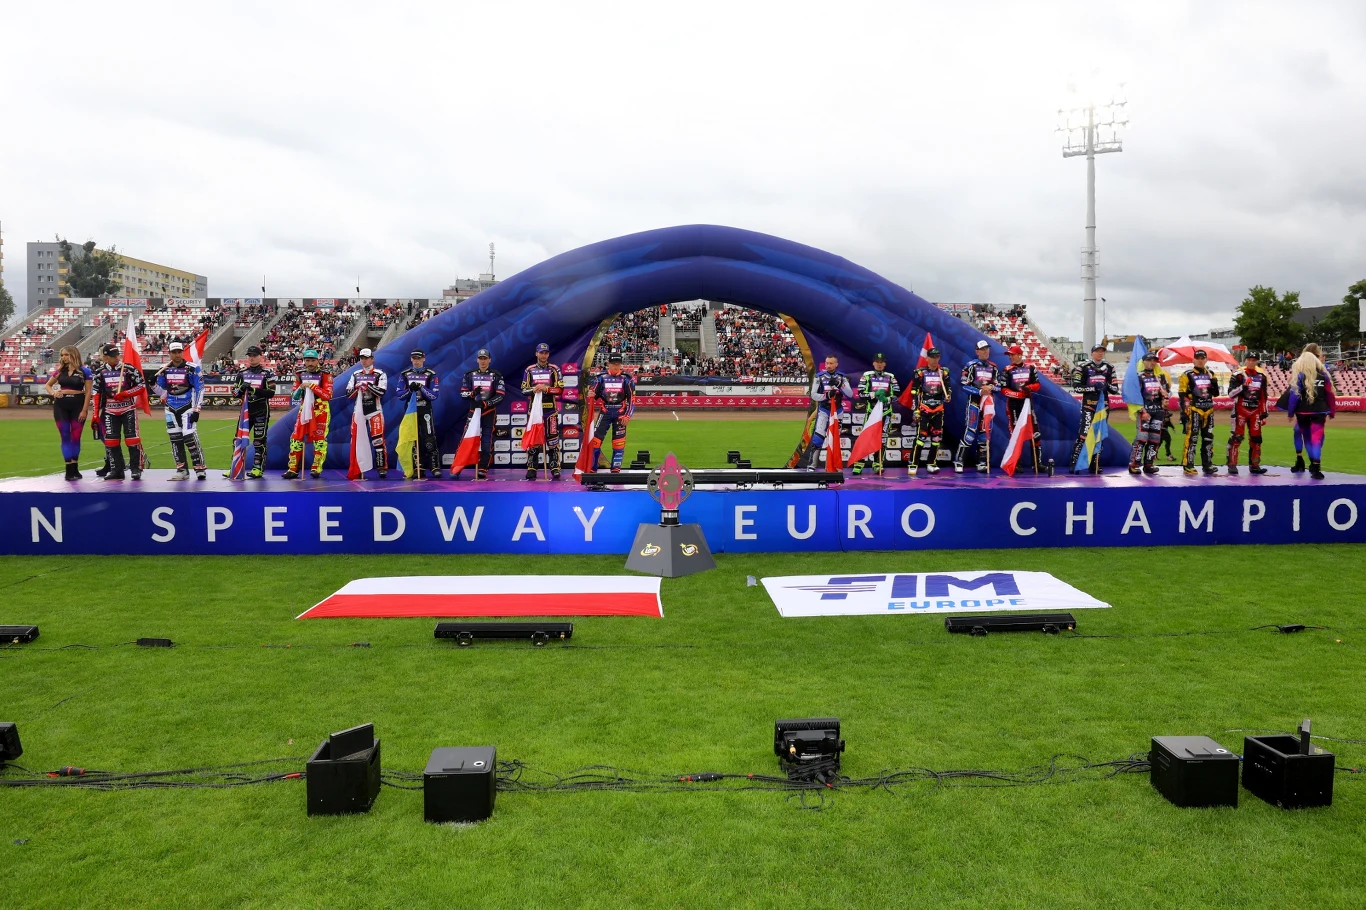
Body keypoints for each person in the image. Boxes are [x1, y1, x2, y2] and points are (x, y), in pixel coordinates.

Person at [91, 342, 146, 481]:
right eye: (112, 356)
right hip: (110, 410)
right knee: (111, 441)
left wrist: (126, 393)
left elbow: (141, 385)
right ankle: (117, 469)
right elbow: (96, 393)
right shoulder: (100, 372)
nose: (116, 358)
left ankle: (136, 469)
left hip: (128, 408)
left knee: (132, 439)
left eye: (117, 355)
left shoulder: (128, 369)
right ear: (105, 357)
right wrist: (95, 414)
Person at [154, 341, 206, 481]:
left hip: (187, 407)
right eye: (174, 352)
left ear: (182, 352)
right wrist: (152, 385)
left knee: (189, 437)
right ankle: (181, 470)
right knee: (175, 439)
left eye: (179, 352)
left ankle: (199, 468)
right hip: (170, 408)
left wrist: (197, 409)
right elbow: (162, 392)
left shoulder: (192, 368)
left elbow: (200, 388)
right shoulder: (163, 369)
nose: (177, 355)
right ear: (169, 353)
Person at [1286, 343, 1336, 480]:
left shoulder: (1300, 373)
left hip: (1303, 411)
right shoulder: (1323, 374)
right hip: (1319, 410)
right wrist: (1332, 410)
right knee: (1317, 438)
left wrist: (1290, 412)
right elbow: (1330, 394)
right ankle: (1314, 465)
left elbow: (1294, 395)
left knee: (1304, 436)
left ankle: (1305, 461)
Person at [283, 349, 333, 479]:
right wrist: (301, 388)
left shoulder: (326, 375)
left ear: (318, 361)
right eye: (307, 360)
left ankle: (317, 468)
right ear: (304, 361)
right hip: (304, 409)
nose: (310, 363)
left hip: (321, 410)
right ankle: (293, 469)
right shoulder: (299, 375)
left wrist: (312, 386)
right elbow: (294, 395)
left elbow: (328, 395)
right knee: (295, 439)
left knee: (320, 440)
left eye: (312, 360)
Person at [45, 345, 92, 480]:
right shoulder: (60, 371)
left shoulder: (85, 371)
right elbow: (47, 385)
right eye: (62, 355)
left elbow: (88, 392)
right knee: (65, 436)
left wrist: (84, 410)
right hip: (61, 406)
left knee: (76, 437)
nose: (64, 358)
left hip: (78, 405)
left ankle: (75, 468)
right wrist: (54, 393)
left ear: (73, 354)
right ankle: (68, 470)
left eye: (66, 355)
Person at [228, 345, 275, 479]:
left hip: (261, 411)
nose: (252, 358)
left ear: (261, 356)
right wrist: (241, 389)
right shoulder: (242, 373)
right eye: (250, 355)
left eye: (254, 355)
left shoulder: (268, 373)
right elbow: (234, 394)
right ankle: (234, 467)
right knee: (238, 439)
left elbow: (271, 393)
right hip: (245, 413)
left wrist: (253, 390)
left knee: (259, 441)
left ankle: (257, 468)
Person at [955, 340, 1002, 473]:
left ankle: (982, 462)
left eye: (987, 349)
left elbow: (999, 386)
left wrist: (991, 387)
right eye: (983, 349)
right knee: (970, 432)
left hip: (988, 403)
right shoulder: (971, 366)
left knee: (985, 432)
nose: (986, 351)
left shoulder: (993, 367)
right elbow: (964, 385)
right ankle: (959, 461)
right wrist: (980, 391)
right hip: (974, 402)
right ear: (977, 351)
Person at [456, 349, 503, 480]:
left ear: (489, 360)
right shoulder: (469, 375)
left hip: (489, 411)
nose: (483, 361)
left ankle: (483, 468)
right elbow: (463, 393)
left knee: (487, 441)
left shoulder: (496, 375)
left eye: (485, 358)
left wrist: (487, 403)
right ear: (477, 360)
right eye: (480, 358)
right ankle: (457, 466)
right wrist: (472, 394)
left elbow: (501, 395)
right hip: (473, 411)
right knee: (466, 438)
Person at [1070, 344, 1118, 474]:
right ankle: (1075, 463)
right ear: (1092, 353)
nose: (1100, 353)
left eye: (1102, 351)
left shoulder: (1109, 367)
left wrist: (1105, 385)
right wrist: (1093, 387)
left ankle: (1094, 463)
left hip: (1103, 408)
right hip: (1088, 406)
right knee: (1084, 434)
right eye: (1097, 351)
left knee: (1099, 434)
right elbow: (1076, 387)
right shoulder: (1083, 367)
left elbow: (1115, 389)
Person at [519, 342, 563, 480]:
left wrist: (547, 389)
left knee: (553, 439)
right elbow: (524, 390)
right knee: (534, 439)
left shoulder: (554, 369)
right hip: (534, 412)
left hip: (551, 410)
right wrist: (534, 389)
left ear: (548, 354)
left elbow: (560, 389)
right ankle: (532, 467)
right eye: (541, 353)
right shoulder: (529, 370)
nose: (543, 355)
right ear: (536, 353)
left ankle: (555, 467)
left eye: (546, 353)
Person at [801, 354, 853, 471]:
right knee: (818, 437)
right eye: (827, 363)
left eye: (831, 363)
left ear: (836, 364)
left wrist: (840, 385)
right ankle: (812, 466)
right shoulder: (819, 377)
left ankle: (834, 466)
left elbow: (850, 394)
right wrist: (826, 395)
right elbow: (813, 395)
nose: (828, 365)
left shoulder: (842, 377)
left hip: (837, 411)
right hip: (824, 410)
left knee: (834, 437)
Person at [586, 351, 636, 473]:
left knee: (618, 442)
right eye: (613, 364)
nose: (615, 366)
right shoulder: (600, 378)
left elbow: (632, 400)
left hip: (620, 413)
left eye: (618, 364)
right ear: (608, 363)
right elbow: (594, 395)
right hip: (605, 411)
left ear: (621, 364)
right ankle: (593, 467)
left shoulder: (627, 379)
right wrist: (590, 394)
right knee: (596, 441)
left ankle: (615, 468)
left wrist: (628, 416)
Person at [907, 348, 952, 476]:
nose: (934, 359)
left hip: (938, 409)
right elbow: (915, 392)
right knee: (921, 437)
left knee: (936, 437)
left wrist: (948, 395)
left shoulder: (944, 372)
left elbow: (948, 388)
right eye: (932, 357)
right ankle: (913, 463)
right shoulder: (920, 372)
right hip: (924, 408)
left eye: (937, 357)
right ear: (927, 358)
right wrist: (916, 410)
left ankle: (931, 463)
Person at [852, 353, 899, 475]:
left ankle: (877, 464)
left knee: (882, 439)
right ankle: (859, 463)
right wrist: (874, 394)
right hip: (871, 413)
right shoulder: (867, 376)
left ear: (885, 364)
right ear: (873, 363)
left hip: (886, 412)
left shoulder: (890, 376)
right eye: (877, 362)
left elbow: (897, 394)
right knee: (866, 436)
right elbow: (861, 394)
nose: (879, 364)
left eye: (881, 362)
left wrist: (887, 399)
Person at [346, 347, 388, 479]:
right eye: (361, 358)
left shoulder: (380, 374)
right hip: (359, 412)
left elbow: (382, 392)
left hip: (374, 411)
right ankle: (358, 467)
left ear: (372, 359)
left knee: (378, 440)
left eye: (366, 358)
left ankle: (382, 468)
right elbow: (348, 394)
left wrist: (368, 385)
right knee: (357, 440)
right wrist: (357, 387)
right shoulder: (355, 374)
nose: (364, 361)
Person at [401, 349, 444, 478]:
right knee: (413, 438)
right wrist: (410, 390)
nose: (416, 361)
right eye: (414, 358)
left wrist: (421, 387)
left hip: (425, 409)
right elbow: (399, 395)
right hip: (410, 411)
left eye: (419, 358)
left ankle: (435, 467)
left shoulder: (431, 374)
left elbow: (434, 395)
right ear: (411, 359)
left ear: (424, 359)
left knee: (429, 437)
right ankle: (418, 467)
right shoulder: (405, 374)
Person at [1000, 344, 1042, 473]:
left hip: (1028, 404)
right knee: (1016, 434)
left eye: (1012, 354)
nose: (1011, 357)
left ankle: (1037, 463)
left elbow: (1037, 384)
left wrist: (1030, 388)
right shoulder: (1007, 369)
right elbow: (1003, 390)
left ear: (1020, 355)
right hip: (1013, 405)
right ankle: (1015, 463)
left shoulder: (1030, 368)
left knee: (1035, 432)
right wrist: (1018, 394)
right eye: (1009, 355)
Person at [1225, 351, 1269, 475]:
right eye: (1249, 359)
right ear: (1245, 361)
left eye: (1254, 360)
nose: (1251, 362)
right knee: (1236, 437)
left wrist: (1264, 414)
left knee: (1256, 439)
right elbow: (1230, 394)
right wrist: (1243, 386)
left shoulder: (1262, 376)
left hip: (1255, 411)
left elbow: (1263, 396)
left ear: (1257, 362)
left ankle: (1255, 465)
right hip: (1240, 410)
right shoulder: (1238, 375)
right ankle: (1232, 464)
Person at [1178, 349, 1220, 476]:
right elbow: (1181, 395)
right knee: (1192, 438)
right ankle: (1188, 465)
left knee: (1208, 438)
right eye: (1198, 358)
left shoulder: (1211, 374)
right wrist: (1183, 413)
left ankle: (1207, 464)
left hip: (1209, 410)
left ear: (1206, 359)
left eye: (1203, 358)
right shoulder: (1187, 374)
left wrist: (1214, 383)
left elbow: (1216, 394)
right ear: (1193, 360)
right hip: (1194, 409)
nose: (1200, 360)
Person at [1128, 351, 1171, 476]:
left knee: (1154, 439)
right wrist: (1142, 411)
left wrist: (1165, 398)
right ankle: (1134, 464)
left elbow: (1166, 394)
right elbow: (1134, 397)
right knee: (1142, 438)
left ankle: (1149, 464)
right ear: (1144, 362)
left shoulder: (1160, 377)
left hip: (1158, 412)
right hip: (1145, 412)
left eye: (1154, 360)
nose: (1152, 363)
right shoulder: (1138, 377)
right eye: (1149, 360)